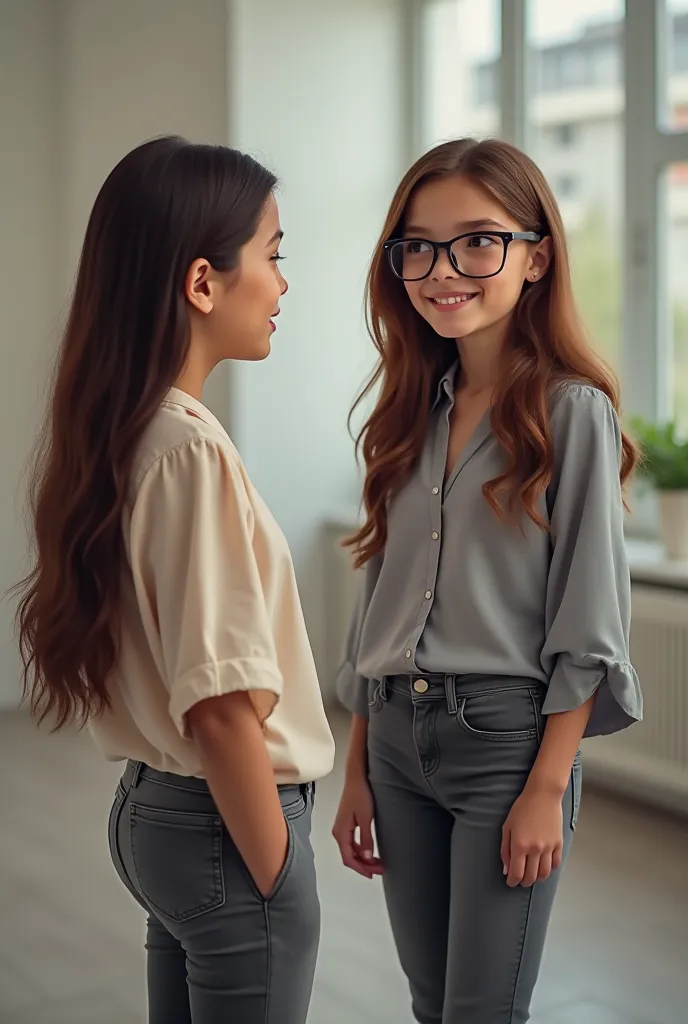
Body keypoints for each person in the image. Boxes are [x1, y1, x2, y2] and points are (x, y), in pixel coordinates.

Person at [12, 136, 335, 1024]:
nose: (282, 283)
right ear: (202, 282)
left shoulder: (128, 433)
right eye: (272, 256)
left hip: (159, 816)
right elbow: (221, 705)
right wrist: (278, 879)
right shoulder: (189, 451)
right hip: (225, 827)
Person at [332, 137, 643, 1024]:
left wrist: (546, 788)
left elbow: (589, 625)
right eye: (418, 246)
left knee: (483, 1008)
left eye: (478, 241)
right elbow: (375, 609)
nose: (443, 270)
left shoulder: (572, 412)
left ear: (536, 255)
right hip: (392, 736)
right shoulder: (406, 412)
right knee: (432, 1003)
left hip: (504, 745)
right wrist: (355, 765)